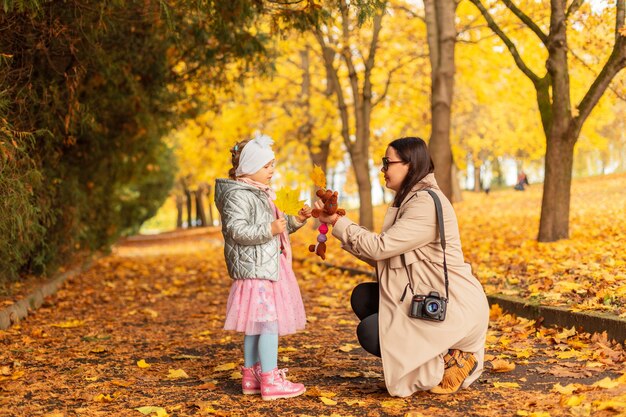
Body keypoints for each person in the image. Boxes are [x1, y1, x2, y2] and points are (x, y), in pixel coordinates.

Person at [314, 137, 489, 397]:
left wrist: (341, 224)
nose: (383, 169)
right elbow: (388, 256)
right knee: (364, 296)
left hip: (451, 304)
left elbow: (380, 248)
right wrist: (342, 226)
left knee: (371, 331)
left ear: (410, 164)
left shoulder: (425, 203)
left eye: (388, 162)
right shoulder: (410, 200)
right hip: (429, 293)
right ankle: (444, 356)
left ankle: (450, 361)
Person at [214, 134, 312, 401]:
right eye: (267, 166)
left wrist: (295, 221)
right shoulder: (237, 195)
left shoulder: (259, 193)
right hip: (256, 269)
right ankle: (270, 379)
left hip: (264, 265)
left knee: (256, 324)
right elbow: (236, 230)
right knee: (268, 323)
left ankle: (251, 375)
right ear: (248, 167)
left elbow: (278, 229)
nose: (272, 170)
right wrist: (269, 228)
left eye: (273, 165)